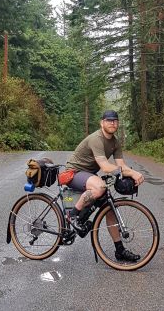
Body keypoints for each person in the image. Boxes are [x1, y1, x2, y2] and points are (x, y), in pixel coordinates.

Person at [65, 110, 144, 262]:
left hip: (89, 175)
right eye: (109, 120)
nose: (112, 123)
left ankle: (119, 250)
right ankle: (73, 216)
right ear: (102, 123)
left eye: (115, 120)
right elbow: (106, 166)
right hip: (74, 173)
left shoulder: (115, 142)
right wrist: (132, 174)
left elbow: (121, 165)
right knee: (100, 187)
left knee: (109, 209)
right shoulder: (96, 139)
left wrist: (133, 174)